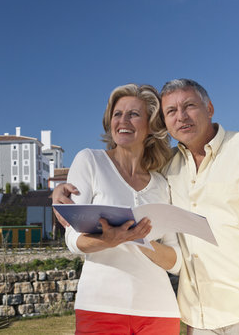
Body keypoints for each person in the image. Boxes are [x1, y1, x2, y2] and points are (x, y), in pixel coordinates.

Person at [54, 79, 239, 334]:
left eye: (189, 106)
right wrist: (57, 193)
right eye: (171, 111)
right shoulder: (166, 170)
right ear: (164, 123)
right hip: (199, 317)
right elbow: (80, 228)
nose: (181, 117)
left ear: (209, 108)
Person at [60, 83, 182, 334]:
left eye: (134, 114)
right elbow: (72, 236)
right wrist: (109, 240)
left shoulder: (161, 183)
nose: (123, 120)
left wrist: (141, 240)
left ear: (150, 126)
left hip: (159, 311)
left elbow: (176, 261)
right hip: (100, 306)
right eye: (118, 114)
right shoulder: (89, 160)